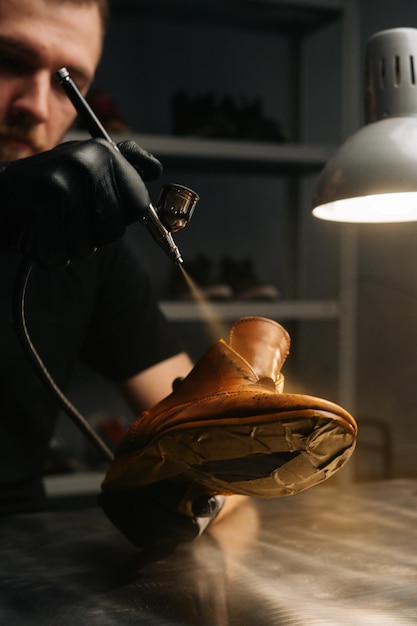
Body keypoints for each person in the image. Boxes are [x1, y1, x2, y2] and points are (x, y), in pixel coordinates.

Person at [0, 0, 357, 547]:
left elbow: (207, 426)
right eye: (7, 60)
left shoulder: (85, 252)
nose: (36, 106)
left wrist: (194, 495)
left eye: (68, 82)